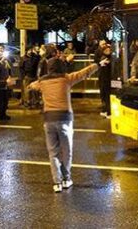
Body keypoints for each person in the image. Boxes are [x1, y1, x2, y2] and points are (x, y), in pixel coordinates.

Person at [30, 55, 108, 193]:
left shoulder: (42, 82)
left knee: (53, 152)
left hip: (49, 119)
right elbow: (84, 72)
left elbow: (32, 85)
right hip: (65, 118)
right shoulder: (66, 79)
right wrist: (98, 64)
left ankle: (57, 183)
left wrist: (33, 85)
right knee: (67, 150)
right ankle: (66, 179)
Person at [98, 44, 113, 118]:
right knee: (107, 96)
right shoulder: (105, 59)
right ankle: (108, 112)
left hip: (104, 81)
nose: (109, 51)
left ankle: (105, 110)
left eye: (109, 50)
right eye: (106, 50)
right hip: (105, 81)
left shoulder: (106, 58)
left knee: (105, 96)